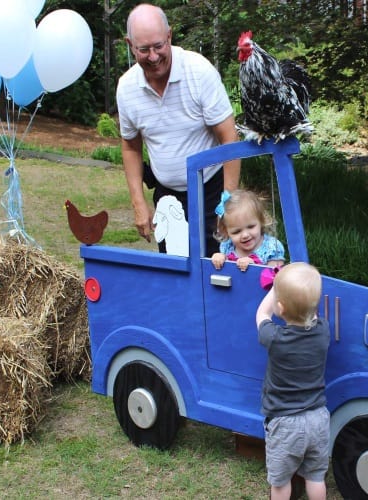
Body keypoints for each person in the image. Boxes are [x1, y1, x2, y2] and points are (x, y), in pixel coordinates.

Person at [117, 3, 240, 256]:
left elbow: (229, 137)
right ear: (130, 45)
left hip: (211, 189)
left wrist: (228, 203)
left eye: (159, 46)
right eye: (143, 49)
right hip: (167, 196)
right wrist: (138, 202)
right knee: (176, 270)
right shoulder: (126, 88)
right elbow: (130, 145)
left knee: (217, 267)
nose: (153, 56)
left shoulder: (199, 71)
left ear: (170, 36)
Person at [255, 262, 330, 500]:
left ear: (281, 306)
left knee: (281, 481)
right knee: (316, 477)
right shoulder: (324, 331)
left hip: (286, 423)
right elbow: (311, 313)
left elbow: (262, 314)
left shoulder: (275, 338)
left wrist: (274, 287)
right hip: (318, 418)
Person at [211, 189, 285, 271]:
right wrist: (219, 259)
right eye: (237, 232)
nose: (245, 235)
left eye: (251, 227)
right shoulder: (228, 246)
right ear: (226, 232)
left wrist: (254, 268)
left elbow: (276, 277)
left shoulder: (271, 248)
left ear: (261, 221)